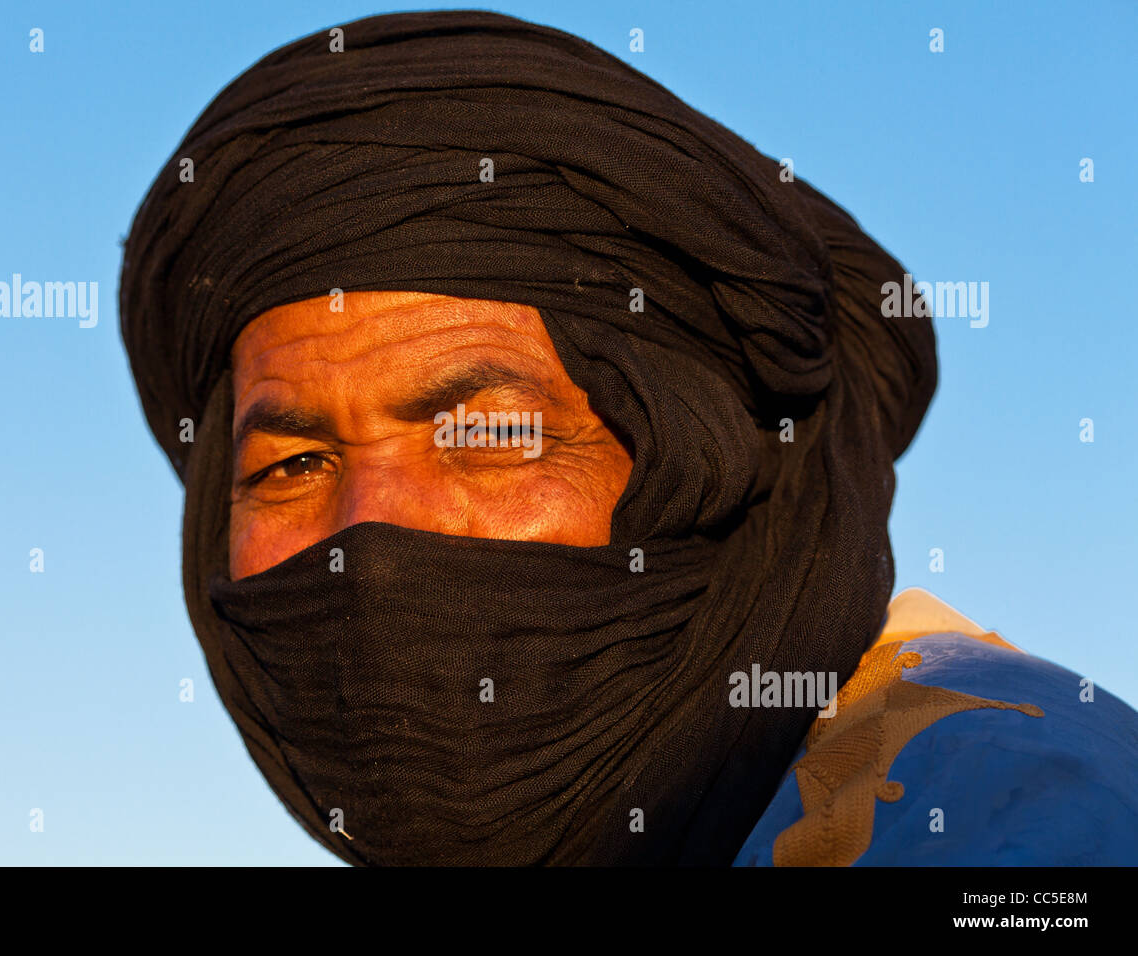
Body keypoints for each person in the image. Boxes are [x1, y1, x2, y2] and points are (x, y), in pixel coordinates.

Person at [118, 10, 1138, 865]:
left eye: (491, 432)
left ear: (703, 460)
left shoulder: (1007, 817)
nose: (372, 540)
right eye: (293, 465)